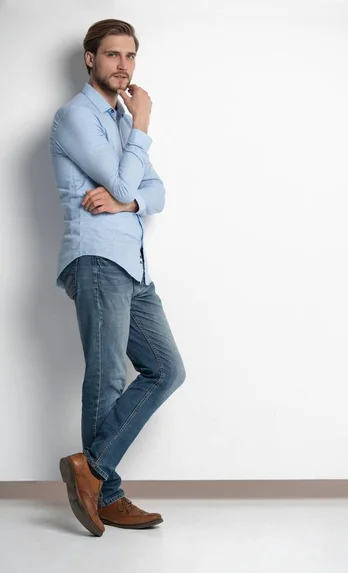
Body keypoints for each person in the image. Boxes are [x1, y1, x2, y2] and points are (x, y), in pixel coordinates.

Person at [50, 18, 186, 537]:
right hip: (97, 260)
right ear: (91, 59)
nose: (123, 66)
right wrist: (145, 122)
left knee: (165, 370)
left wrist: (127, 199)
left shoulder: (124, 128)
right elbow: (128, 177)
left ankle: (93, 470)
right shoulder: (76, 117)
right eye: (112, 55)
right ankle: (106, 494)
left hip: (133, 266)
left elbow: (155, 192)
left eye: (130, 56)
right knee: (107, 378)